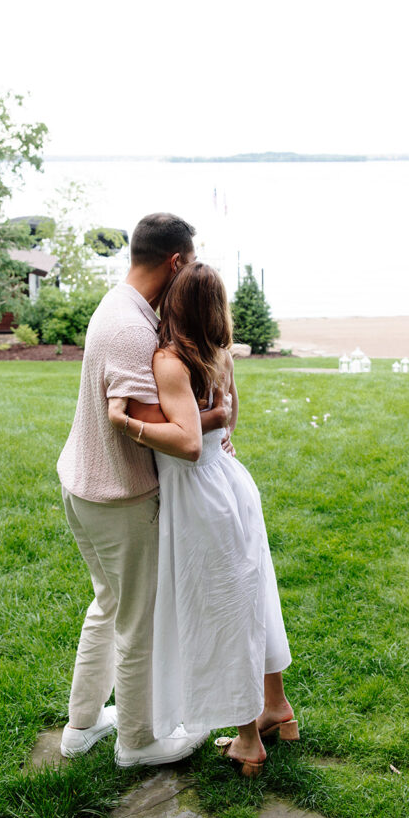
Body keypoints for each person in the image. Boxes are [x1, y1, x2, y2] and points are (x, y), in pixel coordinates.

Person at [108, 261, 296, 777]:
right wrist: (213, 418)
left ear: (175, 303)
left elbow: (188, 447)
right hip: (232, 481)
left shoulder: (171, 360)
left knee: (220, 610)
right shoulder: (218, 353)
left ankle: (248, 739)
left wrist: (127, 422)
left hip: (199, 495)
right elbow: (229, 417)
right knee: (252, 595)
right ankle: (277, 706)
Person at [56, 214, 231, 766]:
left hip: (82, 485)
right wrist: (216, 415)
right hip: (119, 496)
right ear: (176, 262)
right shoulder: (133, 330)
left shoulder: (116, 304)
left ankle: (82, 725)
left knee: (107, 605)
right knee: (138, 621)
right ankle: (138, 741)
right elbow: (170, 433)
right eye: (191, 262)